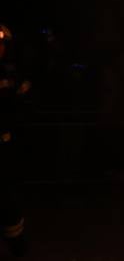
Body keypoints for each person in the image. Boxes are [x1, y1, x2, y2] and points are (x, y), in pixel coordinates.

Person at [0, 24, 30, 256]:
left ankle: (16, 246)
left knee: (8, 197)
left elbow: (19, 104)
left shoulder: (11, 71)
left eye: (1, 43)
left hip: (4, 143)